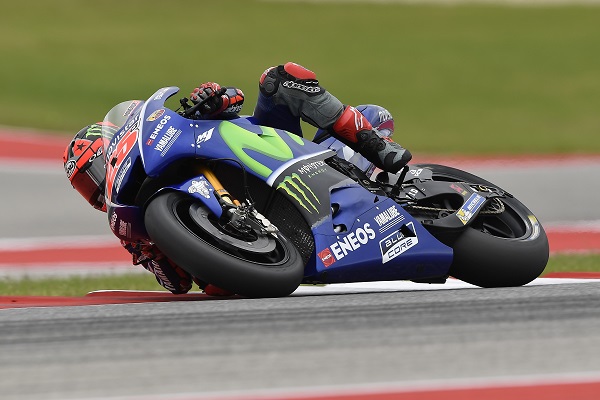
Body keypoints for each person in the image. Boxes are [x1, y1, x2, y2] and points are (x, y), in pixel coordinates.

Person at [63, 62, 411, 295]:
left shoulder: (177, 128)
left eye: (95, 172)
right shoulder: (136, 231)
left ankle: (377, 148)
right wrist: (149, 250)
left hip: (274, 149)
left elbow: (234, 99)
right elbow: (177, 285)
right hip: (266, 262)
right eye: (86, 187)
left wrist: (214, 98)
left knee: (280, 78)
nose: (96, 187)